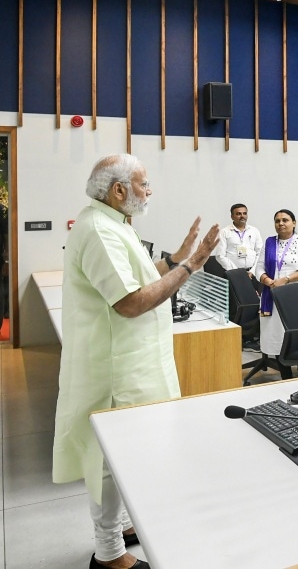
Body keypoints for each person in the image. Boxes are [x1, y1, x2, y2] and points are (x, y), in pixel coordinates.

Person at [53, 154, 220, 569]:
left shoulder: (114, 224)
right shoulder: (98, 231)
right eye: (143, 184)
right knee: (109, 459)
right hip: (114, 372)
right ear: (119, 190)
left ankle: (122, 526)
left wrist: (178, 257)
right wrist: (191, 265)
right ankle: (108, 554)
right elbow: (130, 302)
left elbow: (142, 278)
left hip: (129, 365)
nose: (149, 191)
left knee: (126, 454)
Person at [252, 209, 298, 360]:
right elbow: (258, 267)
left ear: (294, 223)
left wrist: (285, 280)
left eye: (285, 220)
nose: (281, 224)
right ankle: (283, 371)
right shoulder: (269, 242)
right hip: (273, 295)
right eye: (277, 221)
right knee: (277, 334)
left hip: (296, 295)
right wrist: (266, 280)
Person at [213, 203, 263, 273]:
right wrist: (237, 272)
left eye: (244, 213)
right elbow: (220, 256)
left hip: (254, 273)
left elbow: (260, 253)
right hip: (233, 273)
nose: (242, 216)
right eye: (238, 214)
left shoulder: (254, 231)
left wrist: (253, 271)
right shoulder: (224, 232)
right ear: (232, 217)